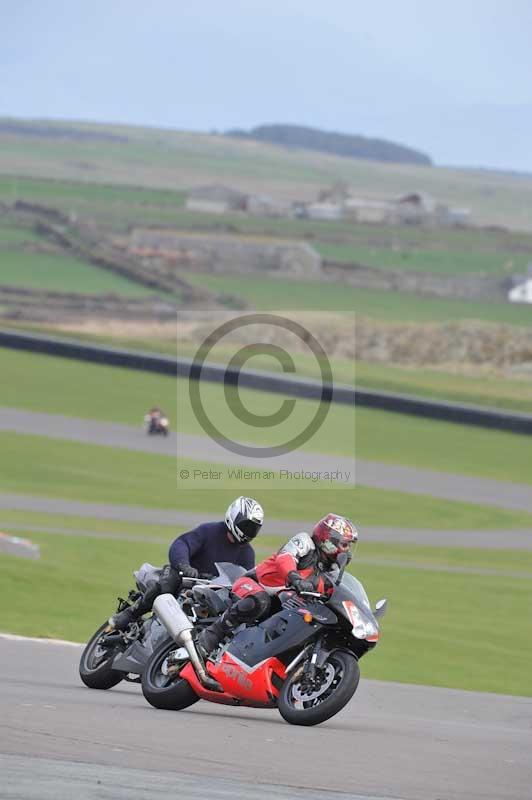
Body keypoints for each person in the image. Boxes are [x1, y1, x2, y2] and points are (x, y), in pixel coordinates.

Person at [198, 513, 357, 654]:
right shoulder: (305, 542)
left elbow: (333, 595)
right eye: (344, 544)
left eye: (349, 546)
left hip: (281, 604)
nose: (347, 551)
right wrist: (295, 578)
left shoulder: (329, 573)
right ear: (328, 540)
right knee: (261, 601)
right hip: (256, 584)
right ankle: (214, 633)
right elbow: (285, 557)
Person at [109, 496, 264, 631]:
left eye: (254, 529)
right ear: (233, 516)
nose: (249, 532)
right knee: (167, 584)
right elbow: (182, 544)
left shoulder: (247, 554)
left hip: (209, 594)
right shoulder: (210, 531)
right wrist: (185, 565)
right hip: (183, 577)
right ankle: (130, 614)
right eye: (247, 526)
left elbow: (244, 580)